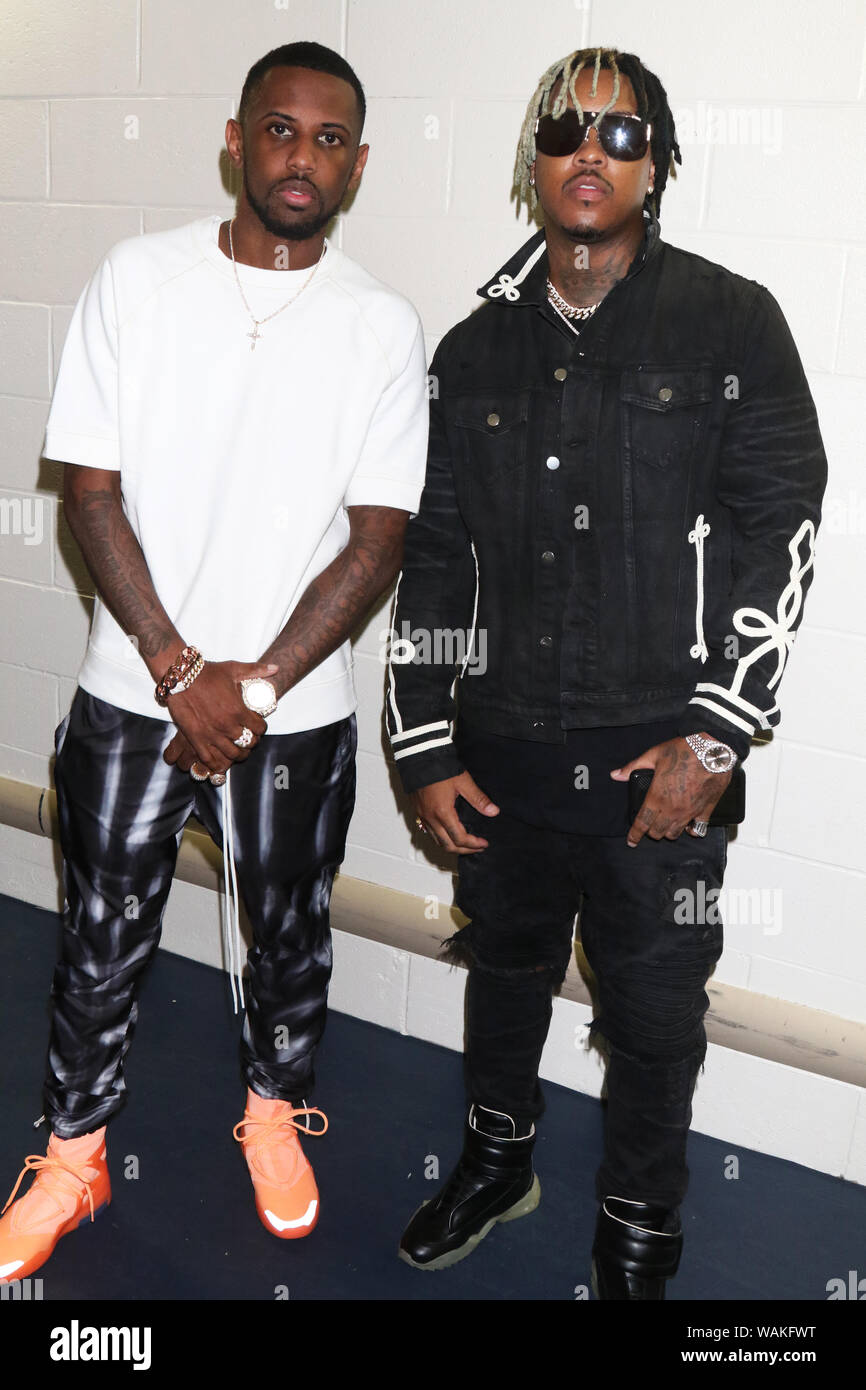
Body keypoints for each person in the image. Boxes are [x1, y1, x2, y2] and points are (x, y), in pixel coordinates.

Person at [386, 45, 827, 1299]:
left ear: (658, 161)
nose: (592, 151)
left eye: (621, 134)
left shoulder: (729, 319)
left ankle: (640, 1227)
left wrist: (714, 736)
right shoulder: (472, 348)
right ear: (532, 160)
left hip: (661, 758)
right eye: (566, 130)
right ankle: (495, 1158)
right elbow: (432, 556)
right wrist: (423, 739)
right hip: (504, 745)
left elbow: (780, 524)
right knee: (503, 965)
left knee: (652, 1010)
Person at [0, 41, 427, 1286]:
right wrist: (181, 666)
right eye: (281, 132)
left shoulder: (380, 325)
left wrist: (247, 687)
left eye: (330, 138)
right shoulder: (136, 280)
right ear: (236, 142)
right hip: (135, 695)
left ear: (357, 162)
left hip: (293, 713)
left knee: (288, 934)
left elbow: (378, 535)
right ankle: (73, 1157)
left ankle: (273, 1113)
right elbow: (90, 492)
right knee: (98, 931)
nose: (304, 157)